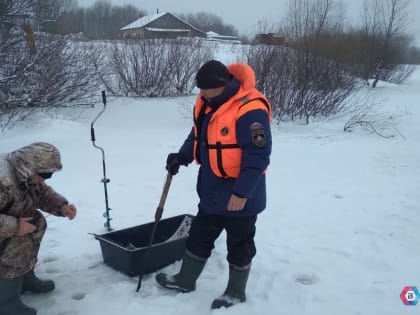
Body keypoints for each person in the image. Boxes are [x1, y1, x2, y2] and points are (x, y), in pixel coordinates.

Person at [155, 60, 272, 309]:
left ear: (223, 85)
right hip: (212, 190)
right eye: (200, 89)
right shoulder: (209, 104)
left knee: (239, 243)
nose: (202, 94)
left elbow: (258, 155)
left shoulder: (250, 109)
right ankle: (186, 279)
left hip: (241, 194)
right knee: (199, 235)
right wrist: (182, 156)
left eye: (206, 89)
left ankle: (235, 292)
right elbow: (198, 135)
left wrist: (242, 193)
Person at [0, 142, 77, 315]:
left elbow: (41, 192)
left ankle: (25, 279)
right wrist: (15, 227)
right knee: (16, 241)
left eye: (48, 175)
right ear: (30, 166)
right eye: (44, 174)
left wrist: (61, 206)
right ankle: (5, 301)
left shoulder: (24, 173)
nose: (45, 179)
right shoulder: (3, 180)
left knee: (36, 222)